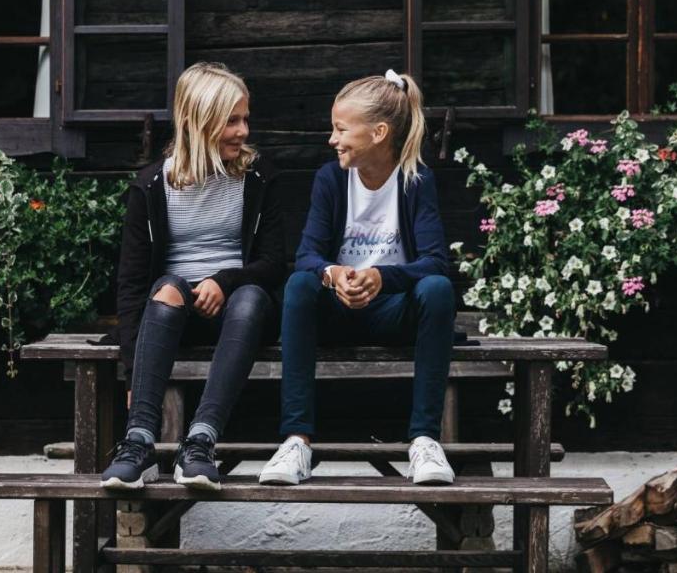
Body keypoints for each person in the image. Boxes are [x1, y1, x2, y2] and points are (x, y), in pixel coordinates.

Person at [259, 69, 456, 486]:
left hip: (392, 313)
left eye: (341, 129)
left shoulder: (416, 181)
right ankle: (296, 441)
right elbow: (307, 256)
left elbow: (436, 263)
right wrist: (334, 275)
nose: (332, 139)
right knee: (299, 284)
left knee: (437, 290)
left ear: (379, 132)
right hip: (337, 312)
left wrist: (384, 278)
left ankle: (424, 442)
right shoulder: (330, 179)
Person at [101, 62, 284, 491]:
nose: (243, 131)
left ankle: (200, 442)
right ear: (198, 122)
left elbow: (275, 262)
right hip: (173, 317)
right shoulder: (150, 187)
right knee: (165, 290)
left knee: (253, 296)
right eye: (231, 121)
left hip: (239, 313)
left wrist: (225, 281)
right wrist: (133, 369)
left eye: (245, 119)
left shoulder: (259, 177)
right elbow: (129, 286)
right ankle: (139, 442)